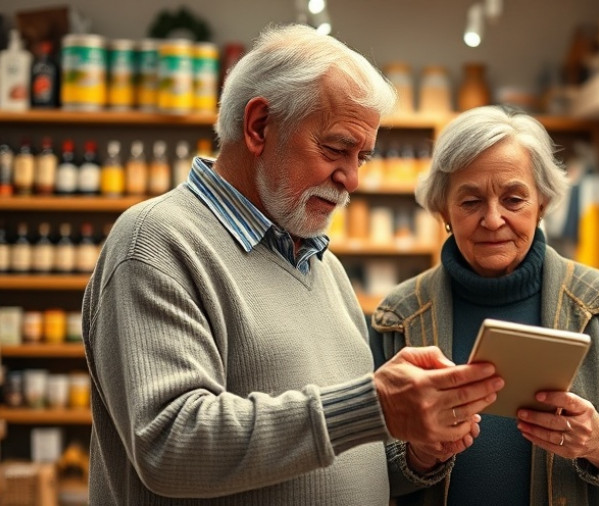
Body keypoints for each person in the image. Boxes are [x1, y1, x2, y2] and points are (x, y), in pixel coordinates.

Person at [81, 24, 504, 505]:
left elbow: (334, 452)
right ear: (259, 126)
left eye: (362, 156)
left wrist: (417, 451)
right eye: (336, 148)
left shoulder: (323, 265)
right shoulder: (156, 243)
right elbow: (170, 445)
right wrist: (373, 405)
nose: (352, 179)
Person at [369, 105, 599, 505]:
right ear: (442, 209)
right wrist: (419, 454)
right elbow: (360, 463)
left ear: (544, 203)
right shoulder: (398, 317)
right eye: (470, 202)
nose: (493, 219)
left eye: (514, 199)